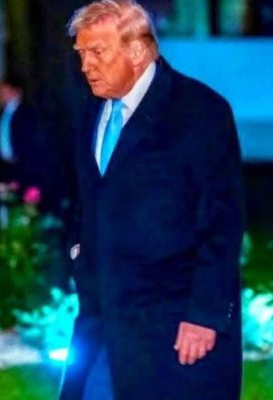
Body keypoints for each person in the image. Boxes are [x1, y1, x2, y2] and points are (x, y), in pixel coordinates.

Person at [60, 1, 244, 399]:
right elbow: (89, 200)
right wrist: (78, 251)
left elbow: (222, 222)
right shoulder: (91, 111)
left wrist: (205, 315)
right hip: (101, 324)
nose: (86, 65)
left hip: (174, 328)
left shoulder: (199, 112)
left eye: (98, 52)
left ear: (138, 50)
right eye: (82, 54)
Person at [0, 76, 41, 189]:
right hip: (4, 166)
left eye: (5, 91)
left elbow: (28, 142)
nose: (2, 95)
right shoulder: (0, 114)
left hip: (22, 165)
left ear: (16, 92)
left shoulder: (27, 114)